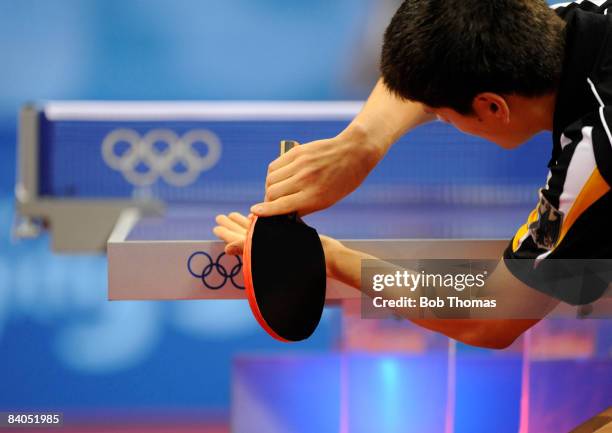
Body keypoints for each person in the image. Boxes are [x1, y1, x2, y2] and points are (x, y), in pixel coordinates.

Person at [214, 0, 612, 348]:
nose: (436, 118)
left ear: (493, 107)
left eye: (442, 114)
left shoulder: (596, 150)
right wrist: (360, 145)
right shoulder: (567, 25)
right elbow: (442, 58)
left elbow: (490, 314)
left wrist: (335, 259)